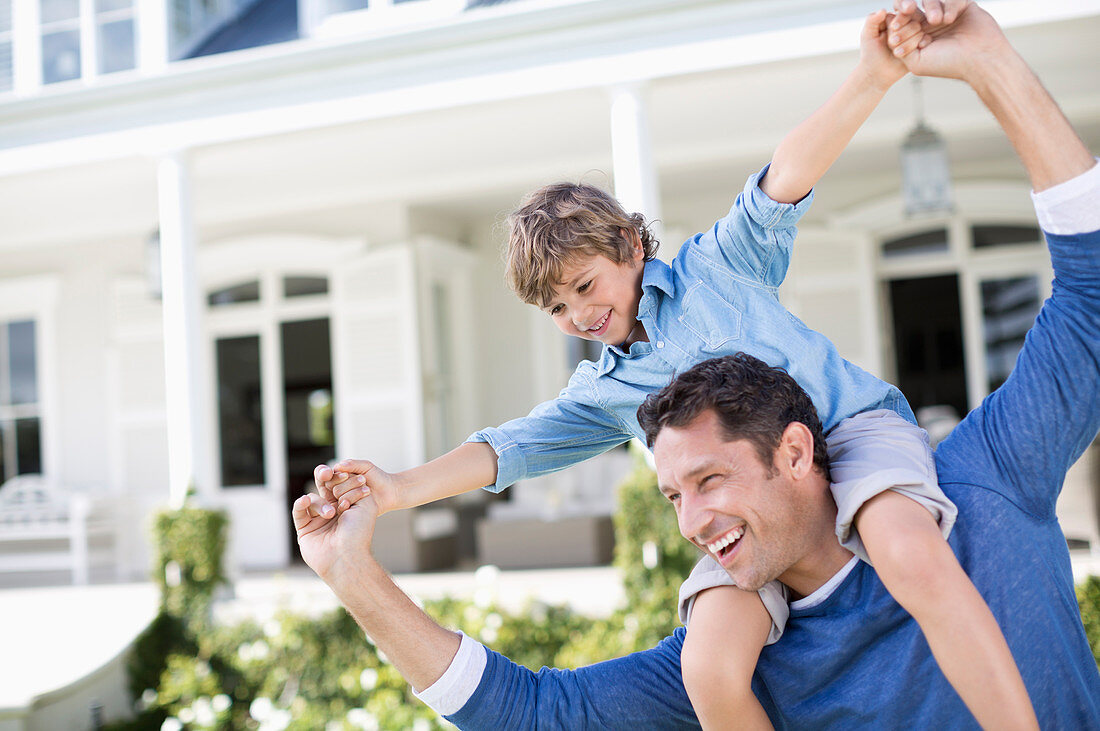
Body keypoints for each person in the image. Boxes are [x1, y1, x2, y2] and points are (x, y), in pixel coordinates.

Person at [297, 2, 1100, 727]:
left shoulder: (723, 271)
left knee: (906, 546)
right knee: (708, 662)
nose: (579, 316)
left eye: (584, 287)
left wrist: (886, 72)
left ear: (632, 246)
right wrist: (387, 509)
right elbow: (511, 451)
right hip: (758, 553)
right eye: (556, 310)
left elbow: (784, 180)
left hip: (858, 435)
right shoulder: (609, 390)